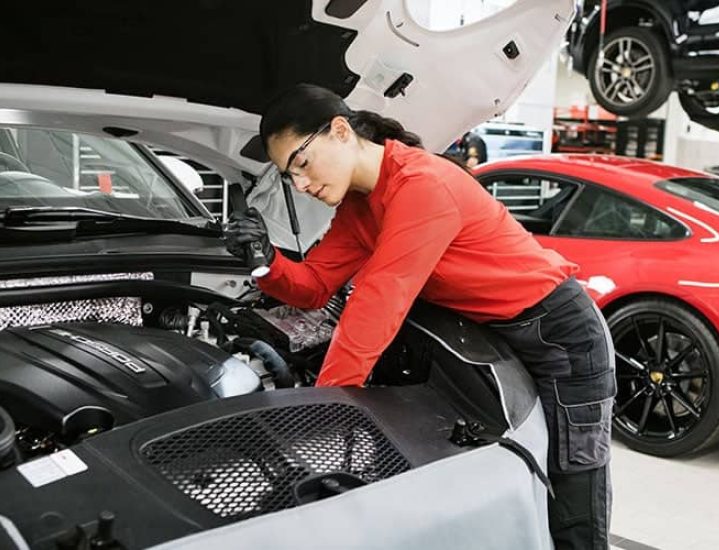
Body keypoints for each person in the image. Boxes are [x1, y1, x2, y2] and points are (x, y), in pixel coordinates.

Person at [226, 83, 615, 549]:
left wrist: (319, 409)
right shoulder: (359, 207)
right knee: (518, 483)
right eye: (289, 178)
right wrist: (265, 260)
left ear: (340, 131)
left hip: (560, 336)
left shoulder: (421, 184)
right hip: (488, 341)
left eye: (302, 164)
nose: (302, 185)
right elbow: (312, 286)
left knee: (573, 484)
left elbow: (379, 301)